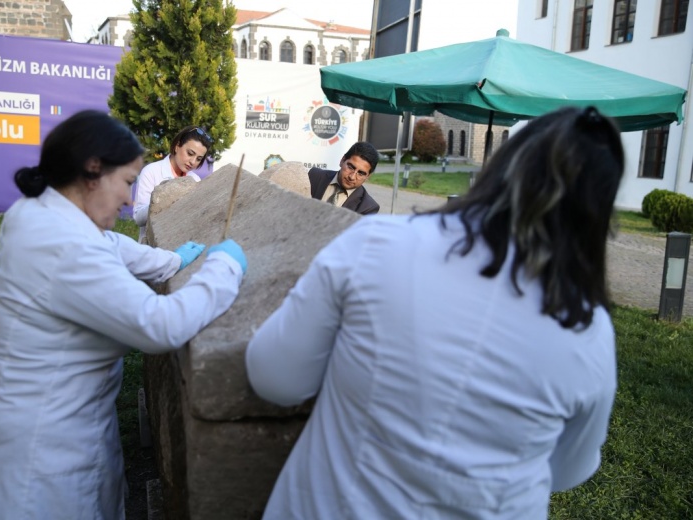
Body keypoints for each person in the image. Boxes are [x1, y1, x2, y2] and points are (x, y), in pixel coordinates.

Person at [246, 106, 624, 519]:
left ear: (501, 167)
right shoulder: (590, 330)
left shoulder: (374, 243)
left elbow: (275, 377)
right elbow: (568, 468)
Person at [0, 111, 247, 519]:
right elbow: (160, 324)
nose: (127, 199)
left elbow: (111, 246)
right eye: (126, 182)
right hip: (33, 467)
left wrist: (169, 260)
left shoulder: (46, 213)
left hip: (60, 436)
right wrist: (223, 269)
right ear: (92, 172)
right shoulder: (64, 245)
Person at [133, 125, 214, 242]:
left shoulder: (195, 180)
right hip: (153, 249)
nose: (193, 162)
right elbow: (138, 218)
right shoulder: (152, 171)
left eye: (198, 159)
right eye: (190, 153)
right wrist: (162, 199)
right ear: (177, 146)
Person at [308, 141, 380, 215]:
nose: (352, 177)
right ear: (342, 160)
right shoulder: (314, 176)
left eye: (361, 173)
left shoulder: (367, 207)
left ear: (368, 176)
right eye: (351, 167)